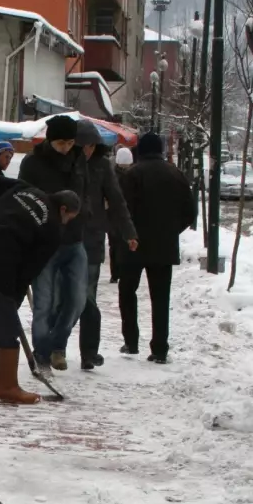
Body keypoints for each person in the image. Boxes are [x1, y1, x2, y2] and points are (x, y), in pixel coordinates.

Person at [0, 183, 82, 404]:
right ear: (63, 210)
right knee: (6, 331)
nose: (66, 223)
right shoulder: (52, 229)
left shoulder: (24, 189)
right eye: (69, 218)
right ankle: (7, 387)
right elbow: (28, 271)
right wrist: (13, 301)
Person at [117, 131, 197, 364]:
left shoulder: (132, 174)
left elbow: (122, 209)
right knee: (160, 298)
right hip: (164, 246)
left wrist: (128, 234)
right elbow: (190, 212)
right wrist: (172, 231)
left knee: (127, 293)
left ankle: (131, 342)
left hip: (134, 245)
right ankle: (159, 349)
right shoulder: (176, 174)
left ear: (140, 150)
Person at [18, 115, 88, 371]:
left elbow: (86, 191)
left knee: (78, 299)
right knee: (44, 302)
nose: (66, 148)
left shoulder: (79, 160)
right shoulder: (33, 163)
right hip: (45, 242)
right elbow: (23, 197)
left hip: (74, 239)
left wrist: (84, 214)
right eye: (61, 143)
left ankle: (58, 344)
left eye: (70, 142)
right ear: (50, 139)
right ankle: (42, 351)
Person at [72, 126, 138, 371]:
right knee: (62, 298)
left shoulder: (102, 166)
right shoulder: (68, 164)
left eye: (90, 146)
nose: (86, 151)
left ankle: (89, 351)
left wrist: (129, 232)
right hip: (65, 238)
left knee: (88, 297)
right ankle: (51, 346)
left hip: (92, 238)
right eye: (82, 146)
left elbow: (117, 201)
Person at [108, 146, 135, 285]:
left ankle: (115, 273)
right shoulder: (132, 175)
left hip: (113, 215)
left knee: (115, 245)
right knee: (122, 244)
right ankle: (121, 271)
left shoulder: (112, 176)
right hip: (123, 215)